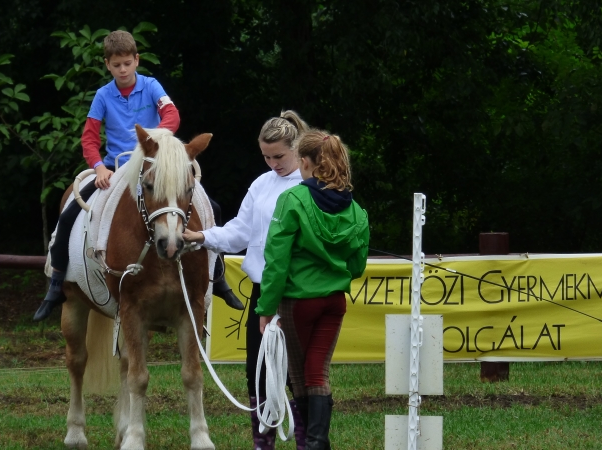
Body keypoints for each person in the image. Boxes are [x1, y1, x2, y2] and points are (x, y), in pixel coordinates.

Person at [34, 30, 240, 321]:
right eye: (116, 65)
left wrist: (156, 139)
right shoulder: (103, 95)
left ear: (136, 60)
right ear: (107, 65)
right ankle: (56, 284)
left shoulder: (151, 85)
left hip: (155, 163)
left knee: (213, 208)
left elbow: (173, 115)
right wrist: (98, 167)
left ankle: (217, 277)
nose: (123, 69)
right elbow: (90, 139)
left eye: (128, 63)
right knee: (69, 214)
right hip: (117, 167)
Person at [183, 110, 310, 450]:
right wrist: (202, 236)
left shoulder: (314, 185)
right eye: (266, 156)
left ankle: (307, 441)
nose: (273, 163)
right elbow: (240, 230)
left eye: (279, 156)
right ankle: (262, 443)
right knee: (257, 371)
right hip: (263, 291)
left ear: (297, 147)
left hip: (299, 292)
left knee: (299, 373)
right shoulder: (261, 183)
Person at [257, 130, 370, 450]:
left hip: (298, 303)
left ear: (305, 162)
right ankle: (318, 443)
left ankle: (313, 444)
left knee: (299, 375)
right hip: (334, 302)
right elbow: (357, 266)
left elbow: (276, 261)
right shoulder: (356, 210)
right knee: (317, 372)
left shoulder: (292, 199)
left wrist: (266, 308)